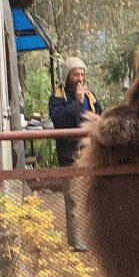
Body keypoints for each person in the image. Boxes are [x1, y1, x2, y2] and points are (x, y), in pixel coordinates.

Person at [48, 57, 103, 252]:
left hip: (91, 151)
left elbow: (100, 114)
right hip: (69, 153)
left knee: (94, 195)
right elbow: (59, 120)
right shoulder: (57, 97)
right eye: (75, 74)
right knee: (72, 197)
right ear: (67, 76)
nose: (80, 79)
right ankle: (76, 240)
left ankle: (96, 236)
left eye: (82, 74)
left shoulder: (90, 95)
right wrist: (78, 102)